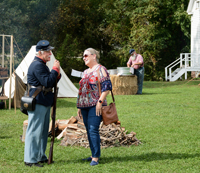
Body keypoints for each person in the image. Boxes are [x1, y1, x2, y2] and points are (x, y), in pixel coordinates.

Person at [24, 40, 61, 167]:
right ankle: (30, 159)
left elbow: (50, 80)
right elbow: (48, 82)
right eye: (47, 51)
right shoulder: (38, 65)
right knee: (34, 131)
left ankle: (40, 156)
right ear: (40, 52)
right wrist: (55, 69)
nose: (50, 53)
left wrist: (56, 73)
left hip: (43, 100)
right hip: (38, 100)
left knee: (43, 131)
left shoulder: (41, 64)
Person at [77, 48, 112, 166]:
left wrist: (100, 101)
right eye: (83, 56)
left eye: (86, 55)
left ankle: (95, 158)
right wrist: (79, 106)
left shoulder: (101, 69)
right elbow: (82, 90)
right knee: (88, 130)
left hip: (95, 105)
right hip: (84, 106)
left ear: (94, 56)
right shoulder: (86, 72)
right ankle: (93, 154)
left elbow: (107, 87)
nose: (84, 58)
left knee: (93, 129)